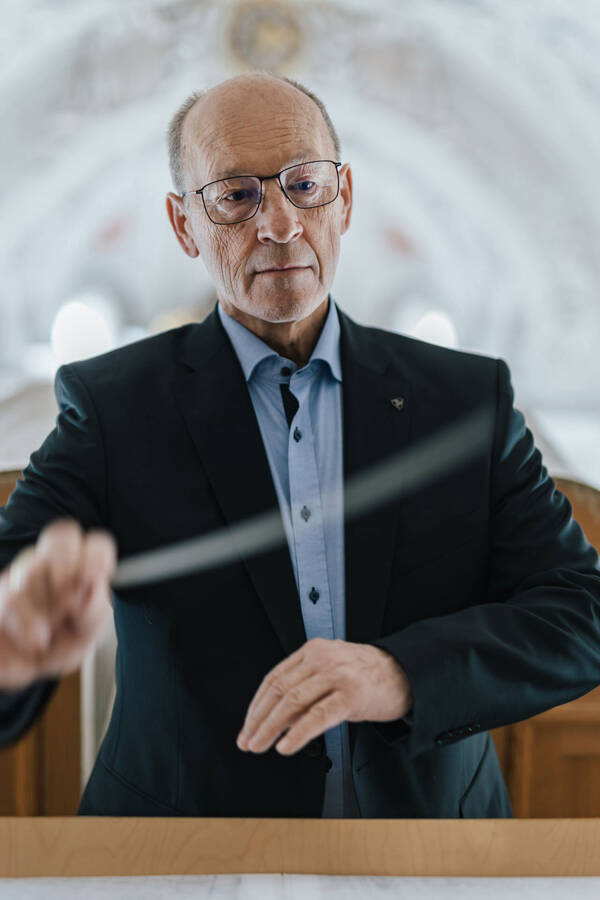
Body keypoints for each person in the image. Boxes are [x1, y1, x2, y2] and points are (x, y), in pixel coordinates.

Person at [0, 72, 599, 819]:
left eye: (304, 185)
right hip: (182, 849)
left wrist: (400, 674)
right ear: (185, 224)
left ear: (344, 198)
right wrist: (12, 634)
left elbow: (581, 615)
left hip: (434, 846)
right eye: (235, 195)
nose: (280, 224)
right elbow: (10, 592)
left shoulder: (467, 400)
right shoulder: (111, 405)